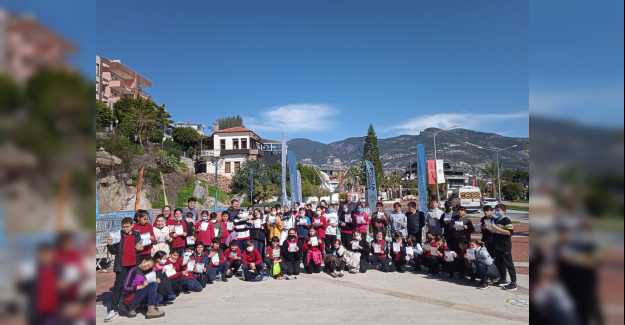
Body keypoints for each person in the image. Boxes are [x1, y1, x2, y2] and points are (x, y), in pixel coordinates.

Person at [105, 217, 142, 322]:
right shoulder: (118, 235)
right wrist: (109, 244)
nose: (125, 228)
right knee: (118, 287)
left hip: (133, 265)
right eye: (124, 227)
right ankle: (113, 309)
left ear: (132, 225)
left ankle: (130, 306)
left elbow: (139, 247)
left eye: (127, 226)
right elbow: (113, 251)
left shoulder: (136, 234)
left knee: (132, 286)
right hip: (121, 266)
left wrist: (140, 247)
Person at [489, 204, 517, 290]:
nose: (496, 212)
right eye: (496, 210)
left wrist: (496, 228)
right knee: (500, 263)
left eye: (499, 210)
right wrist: (490, 228)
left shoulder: (506, 220)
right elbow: (493, 230)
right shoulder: (495, 219)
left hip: (505, 246)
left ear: (504, 211)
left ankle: (513, 283)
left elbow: (509, 232)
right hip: (497, 245)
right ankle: (503, 279)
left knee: (509, 264)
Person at [447, 206, 474, 277]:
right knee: (456, 256)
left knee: (465, 257)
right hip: (455, 240)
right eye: (459, 210)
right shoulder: (454, 218)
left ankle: (469, 273)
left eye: (461, 210)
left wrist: (466, 227)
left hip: (464, 240)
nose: (460, 212)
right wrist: (453, 226)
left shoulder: (468, 219)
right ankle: (458, 271)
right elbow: (450, 226)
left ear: (465, 212)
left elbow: (472, 229)